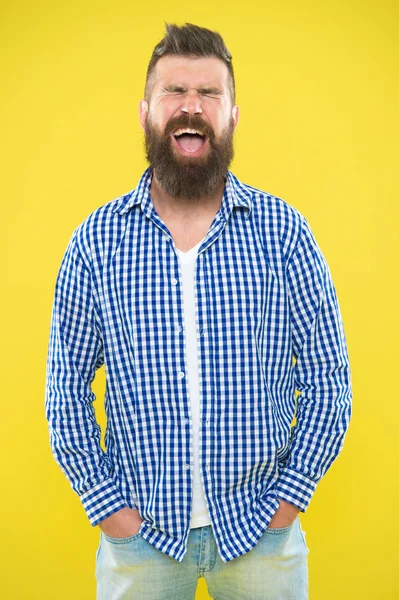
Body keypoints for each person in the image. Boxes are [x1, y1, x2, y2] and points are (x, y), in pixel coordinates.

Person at [45, 22, 352, 600]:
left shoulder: (283, 233)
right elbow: (65, 394)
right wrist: (114, 517)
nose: (192, 108)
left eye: (210, 95)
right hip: (140, 544)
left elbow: (330, 380)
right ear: (145, 112)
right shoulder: (96, 242)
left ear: (234, 115)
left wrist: (287, 505)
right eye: (175, 93)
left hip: (263, 536)